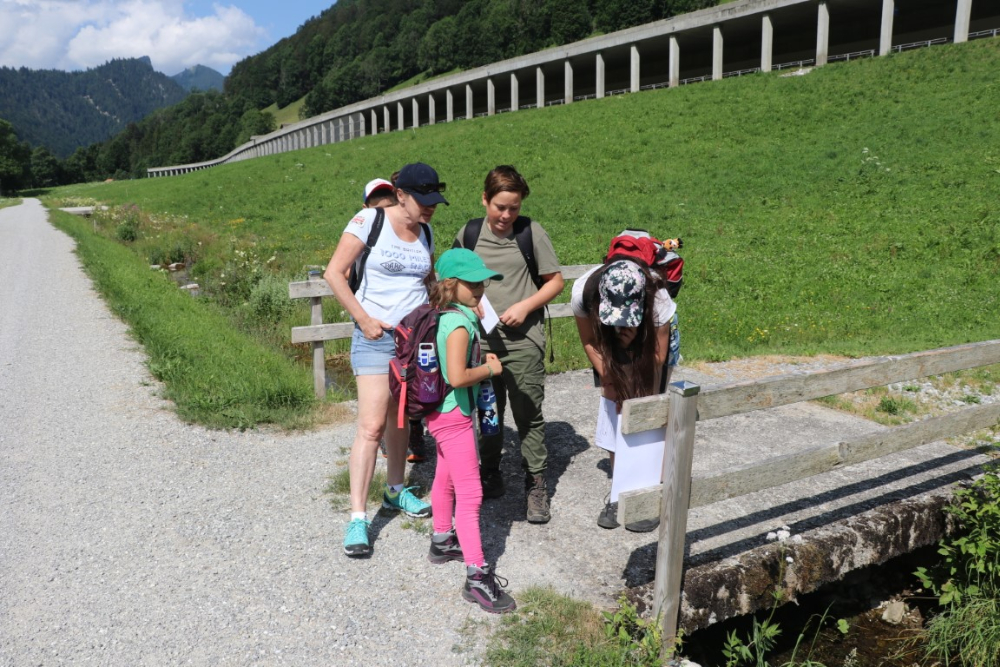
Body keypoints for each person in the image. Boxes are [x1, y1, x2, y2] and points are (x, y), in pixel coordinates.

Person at [324, 162, 448, 557]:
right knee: (372, 425)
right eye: (423, 200)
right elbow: (334, 273)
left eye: (435, 200)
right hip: (375, 338)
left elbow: (426, 281)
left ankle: (395, 489)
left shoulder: (426, 231)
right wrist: (363, 319)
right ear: (401, 195)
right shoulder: (369, 221)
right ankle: (358, 518)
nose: (430, 207)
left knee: (401, 418)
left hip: (414, 341)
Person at [452, 165, 564, 524]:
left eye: (514, 208)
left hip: (523, 343)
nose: (506, 215)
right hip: (480, 343)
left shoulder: (531, 233)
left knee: (528, 413)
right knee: (488, 412)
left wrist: (525, 306)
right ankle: (489, 472)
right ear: (484, 200)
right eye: (500, 207)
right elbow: (452, 281)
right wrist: (468, 306)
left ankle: (536, 485)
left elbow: (555, 281)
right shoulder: (469, 234)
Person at [424, 248, 516, 613]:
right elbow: (457, 376)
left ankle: (442, 539)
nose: (480, 289)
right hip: (454, 415)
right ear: (450, 284)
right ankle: (477, 576)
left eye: (482, 283)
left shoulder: (448, 315)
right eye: (472, 283)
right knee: (471, 493)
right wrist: (490, 369)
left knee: (445, 475)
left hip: (440, 412)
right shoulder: (459, 324)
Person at [571, 255, 676, 532]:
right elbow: (589, 341)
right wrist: (612, 379)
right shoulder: (583, 291)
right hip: (606, 345)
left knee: (648, 412)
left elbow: (658, 357)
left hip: (648, 346)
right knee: (614, 409)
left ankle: (649, 494)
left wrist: (630, 352)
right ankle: (619, 492)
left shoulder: (659, 299)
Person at [362, 177, 429, 464]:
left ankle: (414, 434)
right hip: (379, 330)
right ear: (366, 208)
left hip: (413, 332)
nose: (384, 207)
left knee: (411, 391)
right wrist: (363, 318)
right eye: (377, 204)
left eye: (387, 202)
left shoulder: (421, 230)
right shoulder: (366, 229)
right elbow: (344, 274)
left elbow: (427, 275)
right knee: (379, 409)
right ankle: (390, 437)